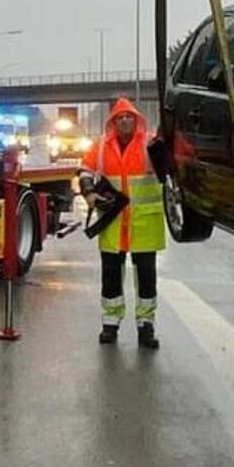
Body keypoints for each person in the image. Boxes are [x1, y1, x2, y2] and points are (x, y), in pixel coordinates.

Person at [78, 97, 165, 348]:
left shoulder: (151, 144)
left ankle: (146, 325)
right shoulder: (101, 146)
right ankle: (110, 324)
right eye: (120, 117)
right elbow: (84, 170)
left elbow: (169, 172)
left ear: (136, 120)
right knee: (110, 275)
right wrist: (88, 192)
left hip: (144, 223)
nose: (125, 120)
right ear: (113, 122)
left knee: (146, 276)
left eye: (129, 117)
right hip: (113, 223)